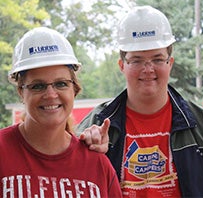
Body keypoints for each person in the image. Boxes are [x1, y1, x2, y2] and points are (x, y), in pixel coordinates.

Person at [76, 6, 203, 197]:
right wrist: (90, 155)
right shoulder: (97, 125)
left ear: (170, 63)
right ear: (122, 65)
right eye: (137, 60)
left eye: (157, 59)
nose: (148, 69)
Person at [0, 27, 122, 198]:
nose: (50, 95)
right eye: (38, 86)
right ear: (21, 91)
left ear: (74, 89)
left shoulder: (97, 165)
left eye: (61, 84)